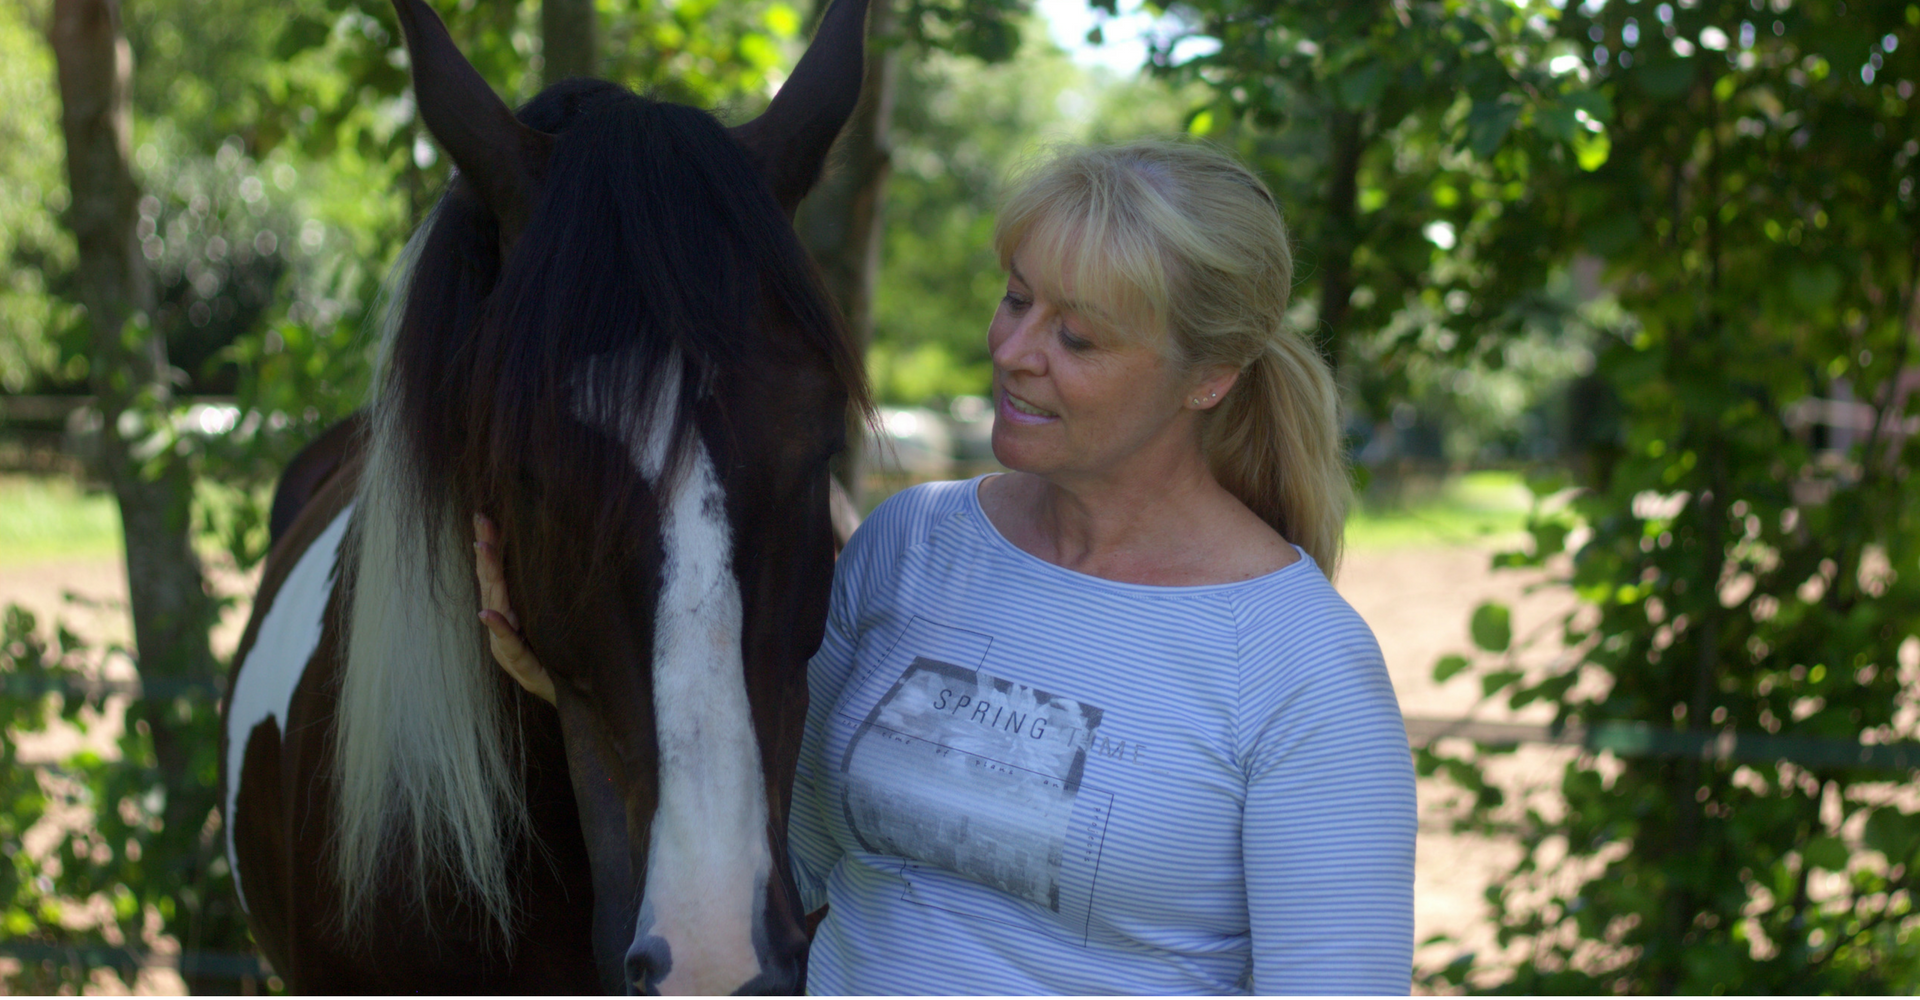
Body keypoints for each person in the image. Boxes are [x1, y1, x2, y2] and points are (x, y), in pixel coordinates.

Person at [477, 139, 1415, 994]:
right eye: (1015, 299)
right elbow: (776, 857)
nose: (1010, 353)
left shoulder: (1303, 668)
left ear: (1210, 377)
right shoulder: (908, 547)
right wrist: (581, 682)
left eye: (1076, 338)